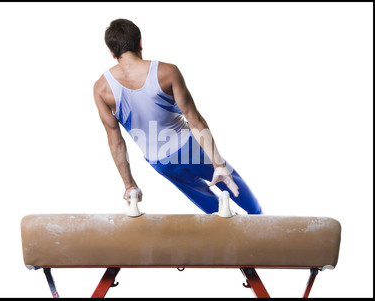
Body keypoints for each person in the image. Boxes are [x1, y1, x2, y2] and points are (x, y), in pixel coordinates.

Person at [93, 18, 262, 214]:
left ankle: (231, 236)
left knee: (214, 212)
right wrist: (218, 164)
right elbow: (194, 118)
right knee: (244, 199)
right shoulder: (166, 72)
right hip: (190, 148)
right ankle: (260, 221)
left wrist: (129, 184)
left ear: (112, 53)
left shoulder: (101, 89)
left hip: (161, 162)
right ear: (140, 42)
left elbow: (116, 142)